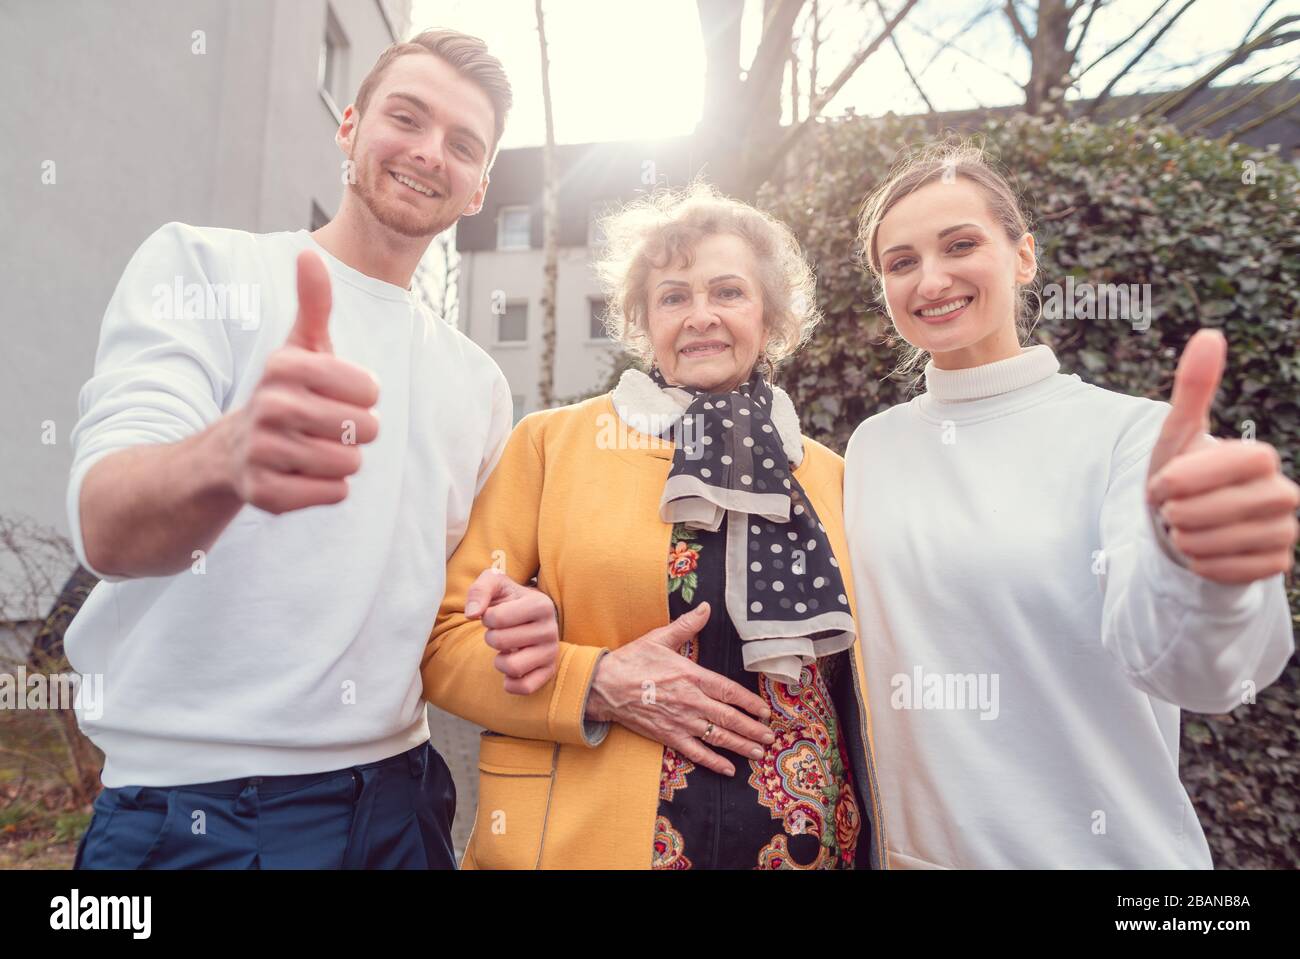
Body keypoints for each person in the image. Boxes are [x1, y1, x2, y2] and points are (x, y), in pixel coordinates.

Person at [68, 29, 555, 870]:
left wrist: (525, 612)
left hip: (401, 801)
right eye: (407, 117)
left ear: (478, 188)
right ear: (350, 127)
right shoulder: (202, 269)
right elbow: (106, 529)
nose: (430, 152)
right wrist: (227, 457)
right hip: (196, 807)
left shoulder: (479, 384)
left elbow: (460, 597)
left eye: (463, 144)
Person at [844, 142, 1298, 868]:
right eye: (900, 262)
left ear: (1023, 257)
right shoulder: (872, 447)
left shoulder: (1130, 435)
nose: (931, 278)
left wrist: (1209, 572)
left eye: (961, 244)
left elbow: (1194, 669)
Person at [424, 183, 888, 869]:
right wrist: (595, 681)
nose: (700, 315)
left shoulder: (830, 474)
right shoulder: (552, 446)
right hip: (587, 843)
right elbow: (443, 640)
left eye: (727, 292)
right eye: (673, 296)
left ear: (769, 316)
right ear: (644, 319)